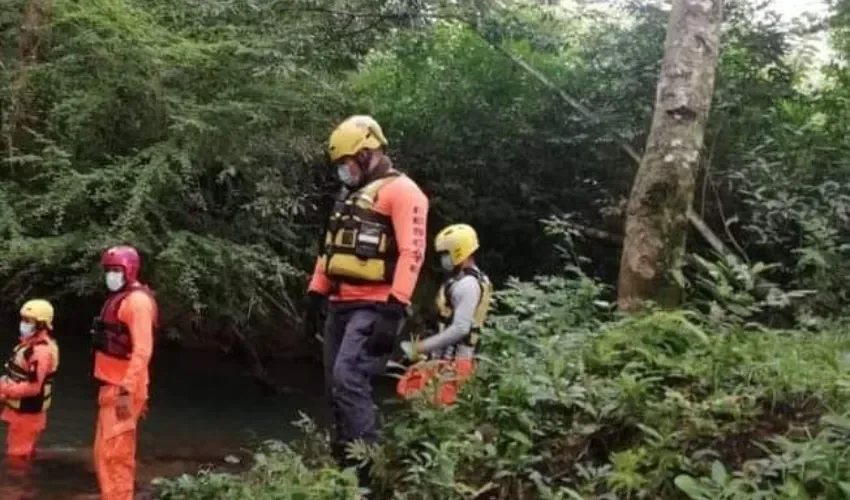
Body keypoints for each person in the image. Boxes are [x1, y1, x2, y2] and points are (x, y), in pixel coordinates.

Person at [304, 115, 429, 487]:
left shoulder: (403, 192)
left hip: (375, 305)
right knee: (333, 386)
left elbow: (412, 252)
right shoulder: (350, 198)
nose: (343, 170)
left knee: (349, 378)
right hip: (340, 304)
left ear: (368, 153)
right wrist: (315, 292)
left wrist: (396, 306)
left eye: (346, 162)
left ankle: (371, 472)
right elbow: (330, 251)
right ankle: (343, 461)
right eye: (340, 164)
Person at [396, 223, 493, 406]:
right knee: (411, 394)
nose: (443, 259)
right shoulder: (465, 280)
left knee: (437, 409)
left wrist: (420, 347)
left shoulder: (468, 285)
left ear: (458, 252)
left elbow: (460, 328)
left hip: (454, 363)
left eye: (445, 254)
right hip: (443, 359)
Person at [90, 245, 158, 500]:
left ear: (129, 270)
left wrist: (126, 389)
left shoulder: (137, 303)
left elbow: (143, 350)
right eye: (108, 270)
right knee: (102, 452)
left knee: (116, 454)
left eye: (116, 270)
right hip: (112, 386)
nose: (111, 275)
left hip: (124, 390)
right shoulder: (122, 298)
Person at [0, 299, 60, 466]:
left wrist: (5, 388)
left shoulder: (41, 352)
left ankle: (15, 491)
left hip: (27, 413)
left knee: (16, 458)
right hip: (20, 409)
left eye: (28, 321)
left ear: (41, 324)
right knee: (24, 453)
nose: (23, 324)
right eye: (23, 320)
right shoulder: (28, 346)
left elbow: (34, 388)